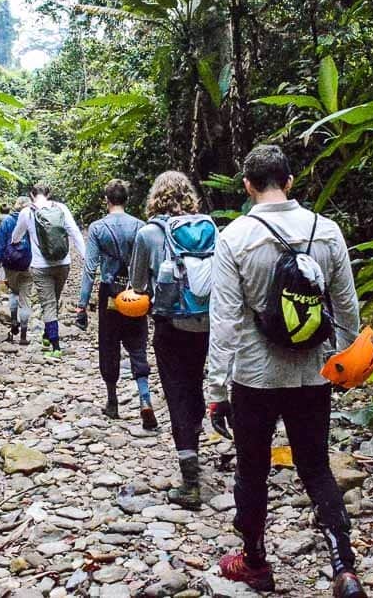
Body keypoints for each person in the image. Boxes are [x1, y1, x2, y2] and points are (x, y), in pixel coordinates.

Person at [205, 145, 366, 597]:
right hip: (313, 373)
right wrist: (344, 361)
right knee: (316, 467)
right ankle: (344, 566)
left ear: (248, 187)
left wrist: (217, 388)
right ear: (291, 181)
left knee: (252, 470)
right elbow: (346, 307)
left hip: (256, 376)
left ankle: (255, 562)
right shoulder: (327, 231)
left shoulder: (235, 237)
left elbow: (226, 320)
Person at [130, 171, 215, 510]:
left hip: (170, 324)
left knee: (177, 393)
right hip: (206, 321)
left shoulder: (149, 233)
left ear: (156, 197)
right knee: (195, 385)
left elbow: (138, 285)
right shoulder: (208, 228)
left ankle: (190, 480)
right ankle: (196, 439)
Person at [76, 179, 157, 430]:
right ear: (126, 199)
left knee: (109, 346)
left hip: (110, 294)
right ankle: (145, 399)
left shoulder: (98, 228)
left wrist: (82, 304)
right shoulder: (141, 227)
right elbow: (149, 266)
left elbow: (90, 269)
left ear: (107, 200)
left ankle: (112, 402)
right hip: (136, 293)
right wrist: (152, 299)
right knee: (137, 345)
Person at [11, 183, 86, 359]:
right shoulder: (61, 208)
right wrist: (85, 258)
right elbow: (74, 232)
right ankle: (47, 335)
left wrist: (14, 243)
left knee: (48, 304)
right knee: (54, 300)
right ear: (49, 193)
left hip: (40, 266)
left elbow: (17, 235)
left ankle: (55, 345)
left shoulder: (26, 212)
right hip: (63, 263)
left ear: (31, 194)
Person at [0, 196, 33, 344]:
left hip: (10, 264)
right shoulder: (32, 220)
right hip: (28, 264)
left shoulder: (7, 221)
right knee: (25, 299)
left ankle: (14, 321)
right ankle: (23, 336)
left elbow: (0, 244)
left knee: (14, 293)